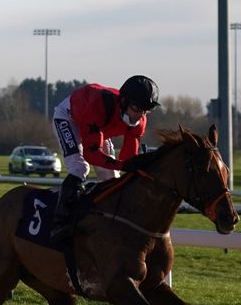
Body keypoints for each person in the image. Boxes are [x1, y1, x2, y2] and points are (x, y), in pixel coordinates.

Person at [48, 75, 160, 241]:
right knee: (79, 168)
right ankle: (59, 223)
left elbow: (128, 160)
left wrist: (136, 169)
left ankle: (107, 222)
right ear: (123, 102)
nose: (139, 116)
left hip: (97, 127)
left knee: (111, 177)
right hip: (69, 118)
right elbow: (91, 155)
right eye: (136, 108)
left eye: (144, 110)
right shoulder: (97, 106)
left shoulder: (140, 120)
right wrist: (122, 165)